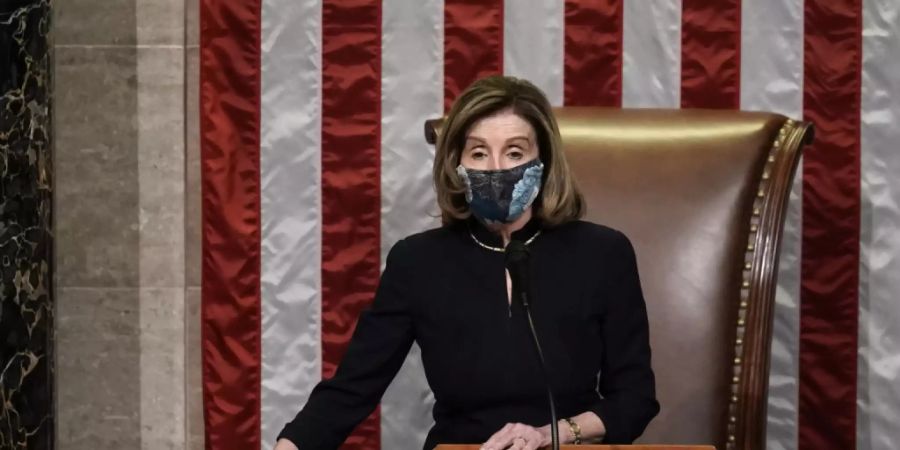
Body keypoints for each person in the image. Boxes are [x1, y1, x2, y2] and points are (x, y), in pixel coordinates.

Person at [274, 75, 659, 450]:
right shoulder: (418, 262)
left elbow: (634, 398)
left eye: (514, 152)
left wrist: (548, 434)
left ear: (543, 160)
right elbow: (352, 389)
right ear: (456, 165)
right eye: (478, 152)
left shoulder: (603, 253)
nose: (495, 167)